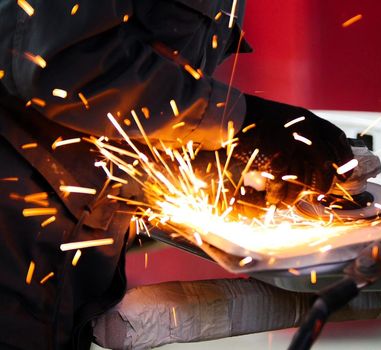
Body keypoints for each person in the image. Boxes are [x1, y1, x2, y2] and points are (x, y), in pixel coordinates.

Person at [0, 0, 353, 348]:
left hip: (58, 248)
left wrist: (201, 165)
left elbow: (120, 105)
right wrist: (241, 122)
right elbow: (62, 65)